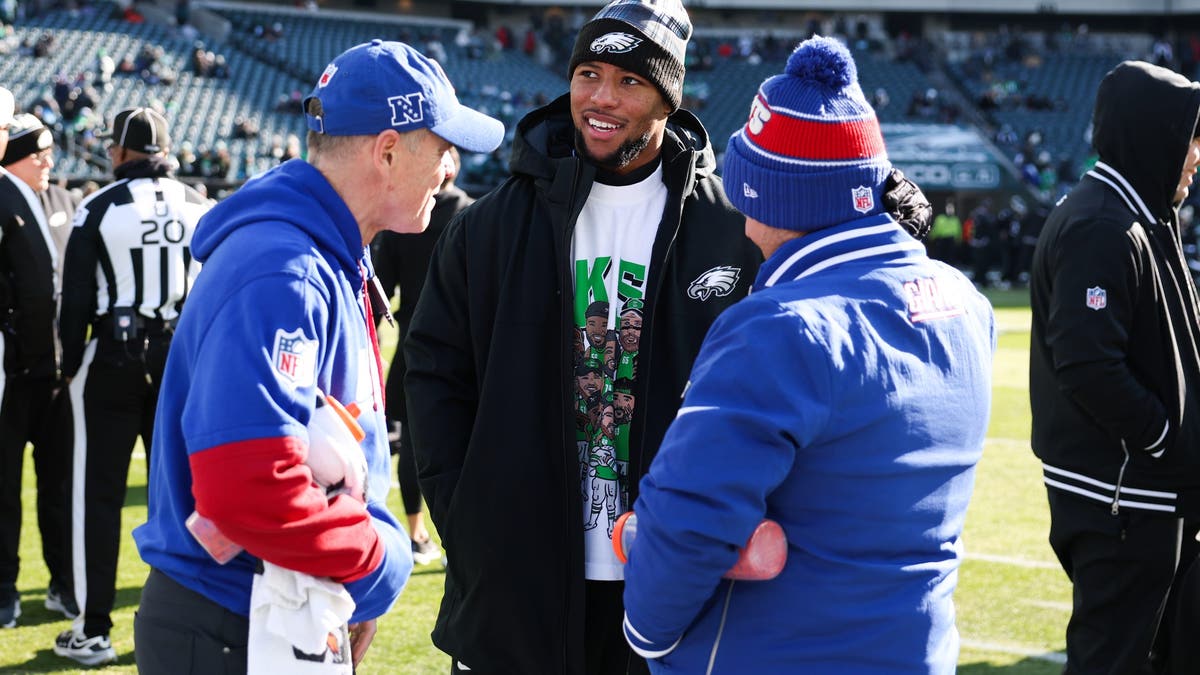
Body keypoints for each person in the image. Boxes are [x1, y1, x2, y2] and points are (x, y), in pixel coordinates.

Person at [620, 36, 996, 673]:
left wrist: (648, 634)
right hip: (917, 650)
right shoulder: (967, 302)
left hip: (778, 650)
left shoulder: (778, 328)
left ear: (769, 196)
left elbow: (690, 518)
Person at [404, 1, 761, 671]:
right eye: (589, 73)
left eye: (630, 81)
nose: (601, 97)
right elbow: (433, 375)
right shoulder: (491, 225)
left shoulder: (731, 230)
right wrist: (471, 523)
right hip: (515, 591)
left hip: (676, 592)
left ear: (668, 96)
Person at [131, 40, 503, 675]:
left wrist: (342, 577)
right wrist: (380, 561)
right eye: (443, 149)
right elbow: (249, 487)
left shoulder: (317, 254)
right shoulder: (286, 268)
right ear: (388, 151)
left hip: (272, 607)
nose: (450, 171)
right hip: (237, 619)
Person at [1029, 59, 1200, 674]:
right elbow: (1087, 363)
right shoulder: (1102, 224)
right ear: (1151, 134)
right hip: (1125, 500)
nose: (1196, 154)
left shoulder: (1138, 215)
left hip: (1149, 495)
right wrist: (1164, 439)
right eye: (1189, 137)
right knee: (1115, 661)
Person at [53, 106, 210, 665]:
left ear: (120, 150)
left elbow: (74, 305)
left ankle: (93, 626)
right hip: (180, 361)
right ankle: (196, 617)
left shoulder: (96, 208)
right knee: (185, 495)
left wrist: (67, 364)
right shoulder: (200, 204)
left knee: (98, 496)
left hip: (114, 360)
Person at [370, 147, 472, 566]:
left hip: (415, 345)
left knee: (413, 445)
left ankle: (416, 534)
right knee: (465, 446)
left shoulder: (401, 219)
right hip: (465, 350)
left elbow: (378, 296)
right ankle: (457, 537)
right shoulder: (475, 215)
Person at [0, 107, 80, 627]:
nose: (48, 161)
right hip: (12, 371)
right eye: (38, 153)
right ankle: (4, 587)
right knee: (4, 490)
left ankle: (63, 582)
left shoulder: (62, 198)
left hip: (58, 372)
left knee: (61, 487)